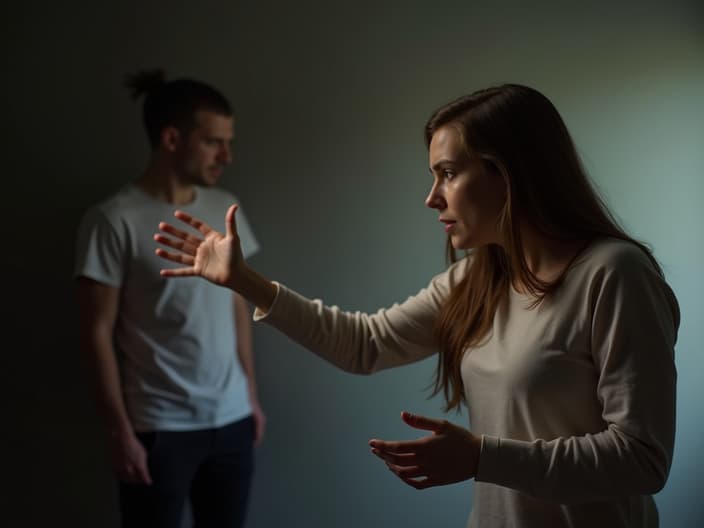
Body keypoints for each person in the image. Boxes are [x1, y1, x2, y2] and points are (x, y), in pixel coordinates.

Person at [153, 83, 679, 527]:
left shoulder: (614, 274)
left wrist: (480, 457)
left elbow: (642, 459)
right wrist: (244, 282)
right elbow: (365, 344)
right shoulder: (477, 278)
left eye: (448, 173)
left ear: (508, 174)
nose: (432, 197)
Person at [74, 69, 265, 528]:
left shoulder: (226, 207)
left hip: (233, 420)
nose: (227, 155)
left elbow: (237, 303)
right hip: (159, 429)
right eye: (214, 142)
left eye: (229, 141)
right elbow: (95, 332)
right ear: (172, 138)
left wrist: (251, 394)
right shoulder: (112, 220)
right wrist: (120, 433)